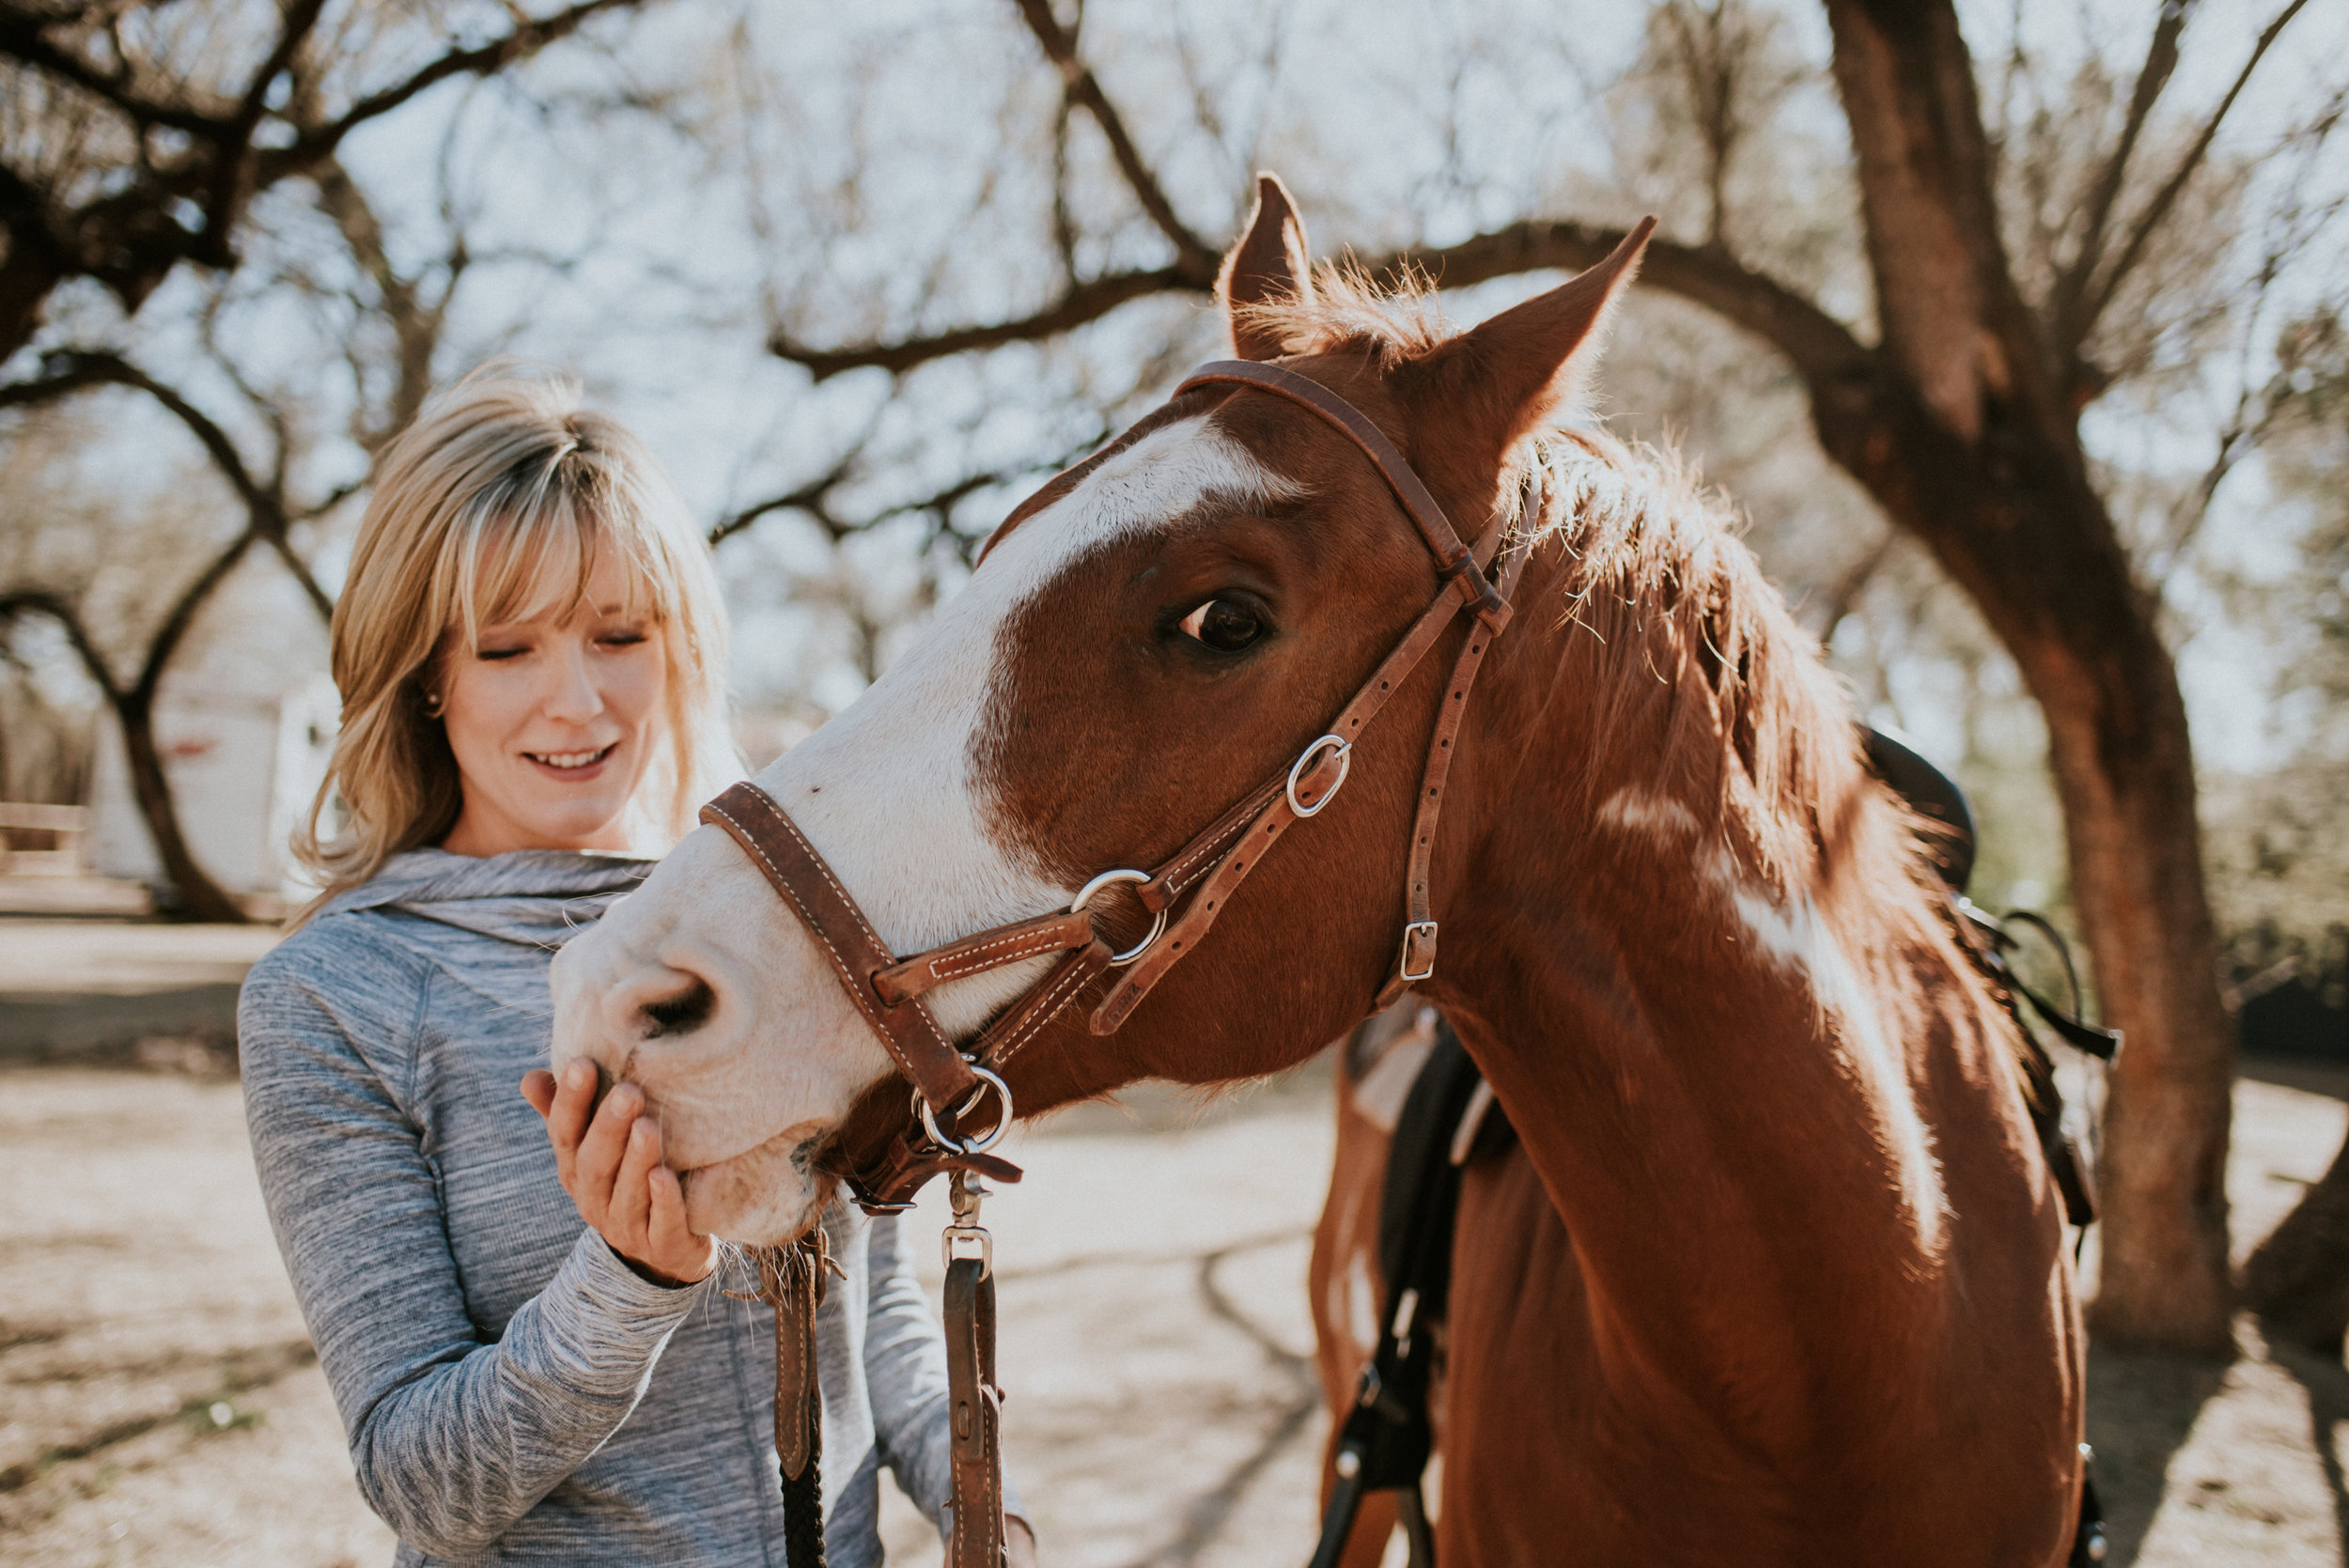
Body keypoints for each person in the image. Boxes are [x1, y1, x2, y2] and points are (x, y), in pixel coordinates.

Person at [238, 368, 1034, 1566]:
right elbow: (419, 1482)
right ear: (425, 673)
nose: (580, 699)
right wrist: (626, 1281)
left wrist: (984, 1502)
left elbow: (874, 1313)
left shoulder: (778, 922)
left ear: (683, 643)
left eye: (621, 634)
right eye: (508, 647)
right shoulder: (335, 995)